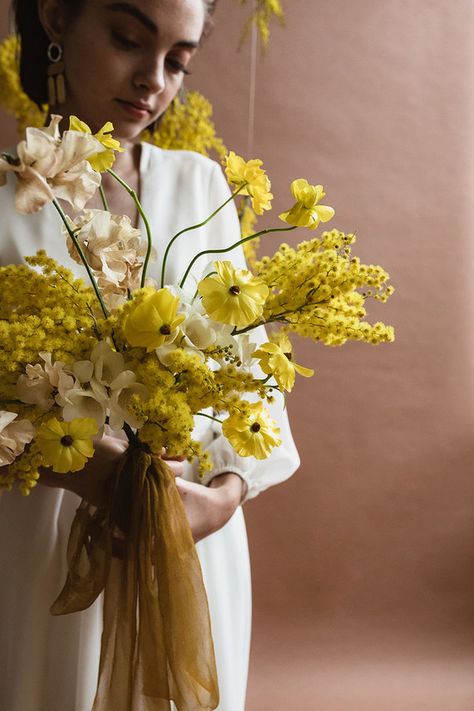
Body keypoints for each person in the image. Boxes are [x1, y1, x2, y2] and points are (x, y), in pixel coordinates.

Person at [0, 1, 300, 709]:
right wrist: (75, 468)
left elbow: (255, 384)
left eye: (179, 61)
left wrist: (219, 504)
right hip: (42, 553)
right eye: (129, 40)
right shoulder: (3, 202)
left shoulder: (199, 187)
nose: (154, 82)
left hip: (193, 548)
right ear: (57, 17)